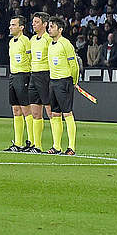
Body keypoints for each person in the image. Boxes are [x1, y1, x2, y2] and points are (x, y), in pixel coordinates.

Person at [45, 16, 79, 155]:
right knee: (55, 114)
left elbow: (74, 65)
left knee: (67, 113)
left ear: (60, 29)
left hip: (64, 81)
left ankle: (71, 147)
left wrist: (74, 81)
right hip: (53, 81)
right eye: (49, 26)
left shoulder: (66, 44)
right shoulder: (50, 44)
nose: (49, 29)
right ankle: (56, 146)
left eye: (52, 27)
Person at [4, 15, 33, 151]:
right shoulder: (11, 42)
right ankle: (18, 143)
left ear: (21, 27)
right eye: (10, 24)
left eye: (14, 25)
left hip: (23, 76)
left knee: (26, 109)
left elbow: (31, 58)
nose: (10, 27)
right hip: (13, 76)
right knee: (16, 110)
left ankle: (31, 142)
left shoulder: (25, 41)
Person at [27, 12, 52, 152]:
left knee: (50, 111)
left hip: (46, 75)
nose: (33, 24)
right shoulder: (32, 40)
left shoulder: (49, 39)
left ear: (44, 24)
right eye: (33, 22)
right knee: (36, 112)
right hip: (34, 76)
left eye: (36, 22)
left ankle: (56, 145)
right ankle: (37, 146)